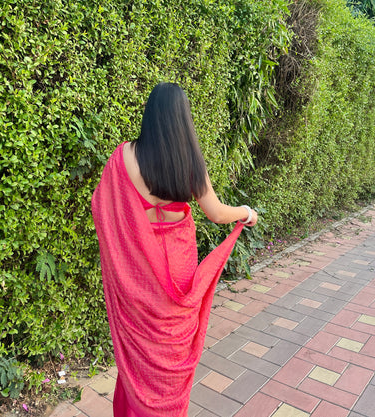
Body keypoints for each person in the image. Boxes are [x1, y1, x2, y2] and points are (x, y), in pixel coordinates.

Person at [91, 82, 258, 417]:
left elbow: (101, 206)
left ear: (149, 115)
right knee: (172, 352)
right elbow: (217, 213)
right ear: (183, 118)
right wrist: (246, 213)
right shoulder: (189, 163)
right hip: (178, 272)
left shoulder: (123, 156)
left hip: (136, 274)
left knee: (138, 352)